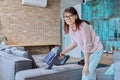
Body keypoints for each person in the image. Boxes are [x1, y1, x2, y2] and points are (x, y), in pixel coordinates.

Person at [60, 7, 103, 80]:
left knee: (86, 73)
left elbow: (87, 45)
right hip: (88, 52)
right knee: (90, 74)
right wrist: (63, 52)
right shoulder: (70, 28)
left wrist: (86, 64)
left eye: (70, 15)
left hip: (96, 51)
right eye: (65, 17)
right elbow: (74, 43)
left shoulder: (83, 26)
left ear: (76, 16)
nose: (68, 18)